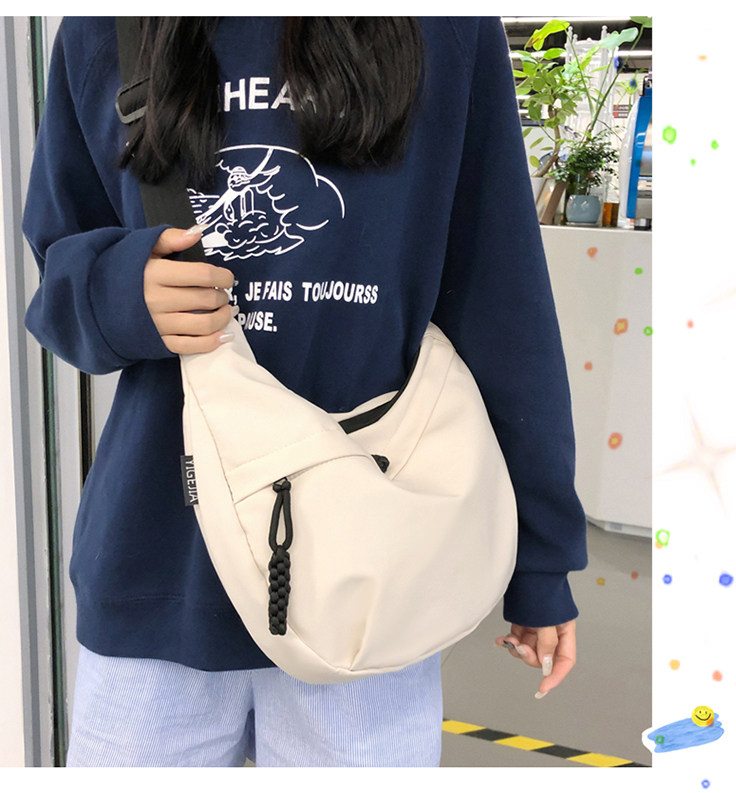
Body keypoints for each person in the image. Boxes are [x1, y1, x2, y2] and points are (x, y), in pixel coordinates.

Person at [23, 16, 588, 767]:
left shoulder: (447, 27)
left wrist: (542, 558)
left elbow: (500, 292)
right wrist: (123, 292)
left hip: (370, 569)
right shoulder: (108, 25)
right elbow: (58, 264)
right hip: (160, 564)